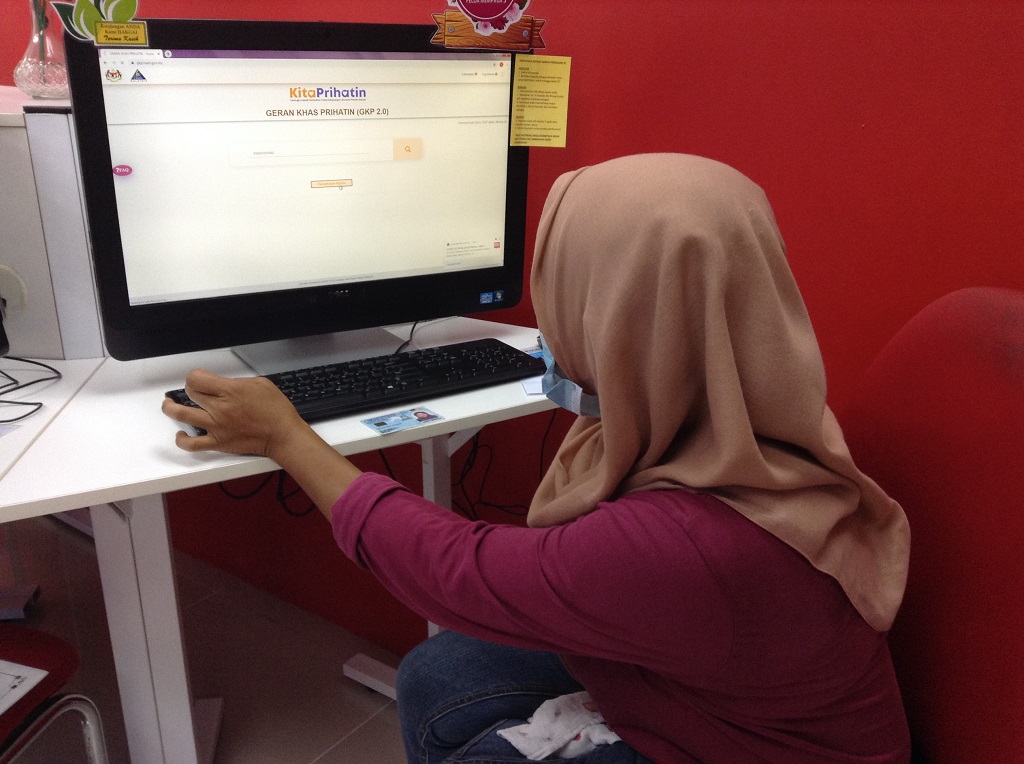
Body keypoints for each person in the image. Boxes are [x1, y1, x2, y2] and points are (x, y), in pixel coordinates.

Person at [162, 154, 912, 763]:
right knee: (439, 671)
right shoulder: (757, 420)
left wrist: (287, 437)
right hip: (715, 691)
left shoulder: (687, 545)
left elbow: (456, 572)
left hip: (734, 744)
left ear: (617, 317)